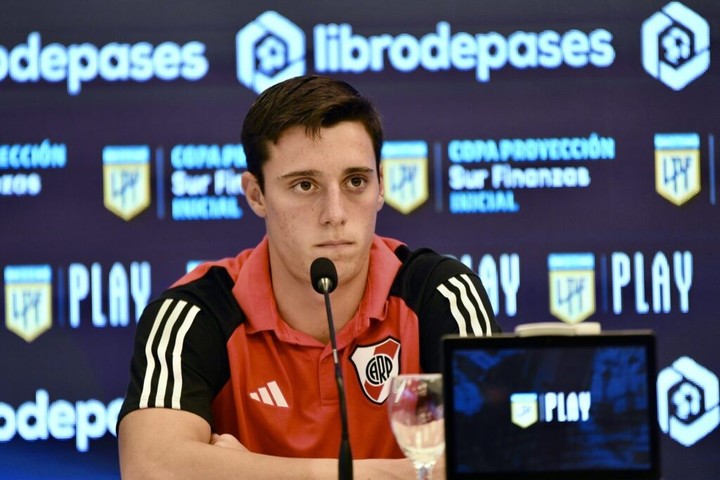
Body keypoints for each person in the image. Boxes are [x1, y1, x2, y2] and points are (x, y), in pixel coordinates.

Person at [117, 74, 501, 479]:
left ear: (382, 185)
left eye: (356, 181)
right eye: (304, 185)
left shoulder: (439, 292)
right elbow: (152, 468)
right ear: (256, 195)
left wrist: (240, 469)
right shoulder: (193, 312)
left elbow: (497, 460)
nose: (334, 213)